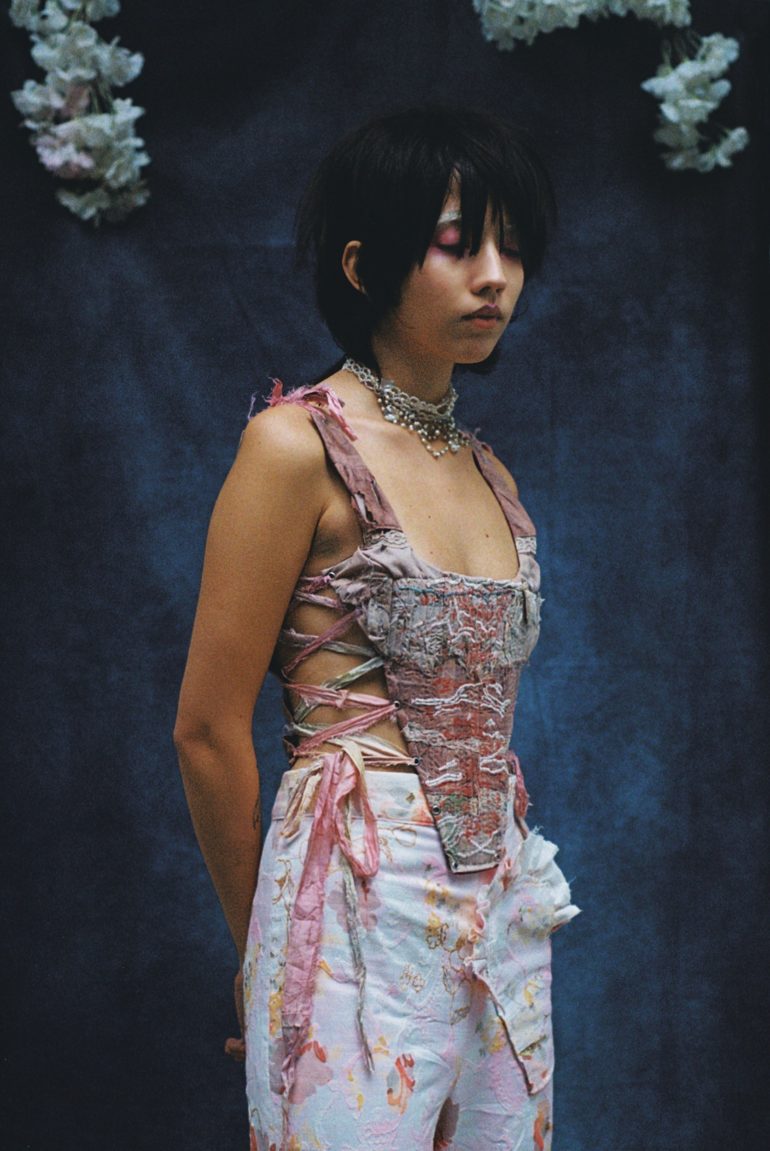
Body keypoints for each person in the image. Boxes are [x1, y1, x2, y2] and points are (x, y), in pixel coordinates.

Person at [174, 106, 580, 1151]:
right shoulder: (293, 445)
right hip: (349, 902)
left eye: (512, 248)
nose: (494, 277)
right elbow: (206, 729)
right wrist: (265, 948)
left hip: (501, 910)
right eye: (456, 244)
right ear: (364, 264)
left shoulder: (490, 472)